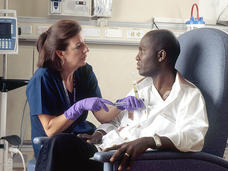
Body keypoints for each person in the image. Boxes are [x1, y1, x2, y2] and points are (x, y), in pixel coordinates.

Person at [80, 29, 209, 171]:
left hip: (128, 161)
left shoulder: (188, 96)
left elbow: (193, 137)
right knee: (59, 143)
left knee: (61, 148)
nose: (137, 57)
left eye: (142, 51)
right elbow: (115, 122)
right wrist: (98, 134)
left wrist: (150, 141)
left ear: (161, 55)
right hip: (103, 149)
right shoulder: (141, 89)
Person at [26, 19, 145, 170]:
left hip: (82, 142)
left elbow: (103, 115)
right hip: (53, 148)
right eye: (79, 46)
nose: (86, 49)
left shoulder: (85, 72)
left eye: (84, 43)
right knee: (60, 143)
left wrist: (121, 104)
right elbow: (50, 129)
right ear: (60, 53)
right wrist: (79, 107)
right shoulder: (43, 78)